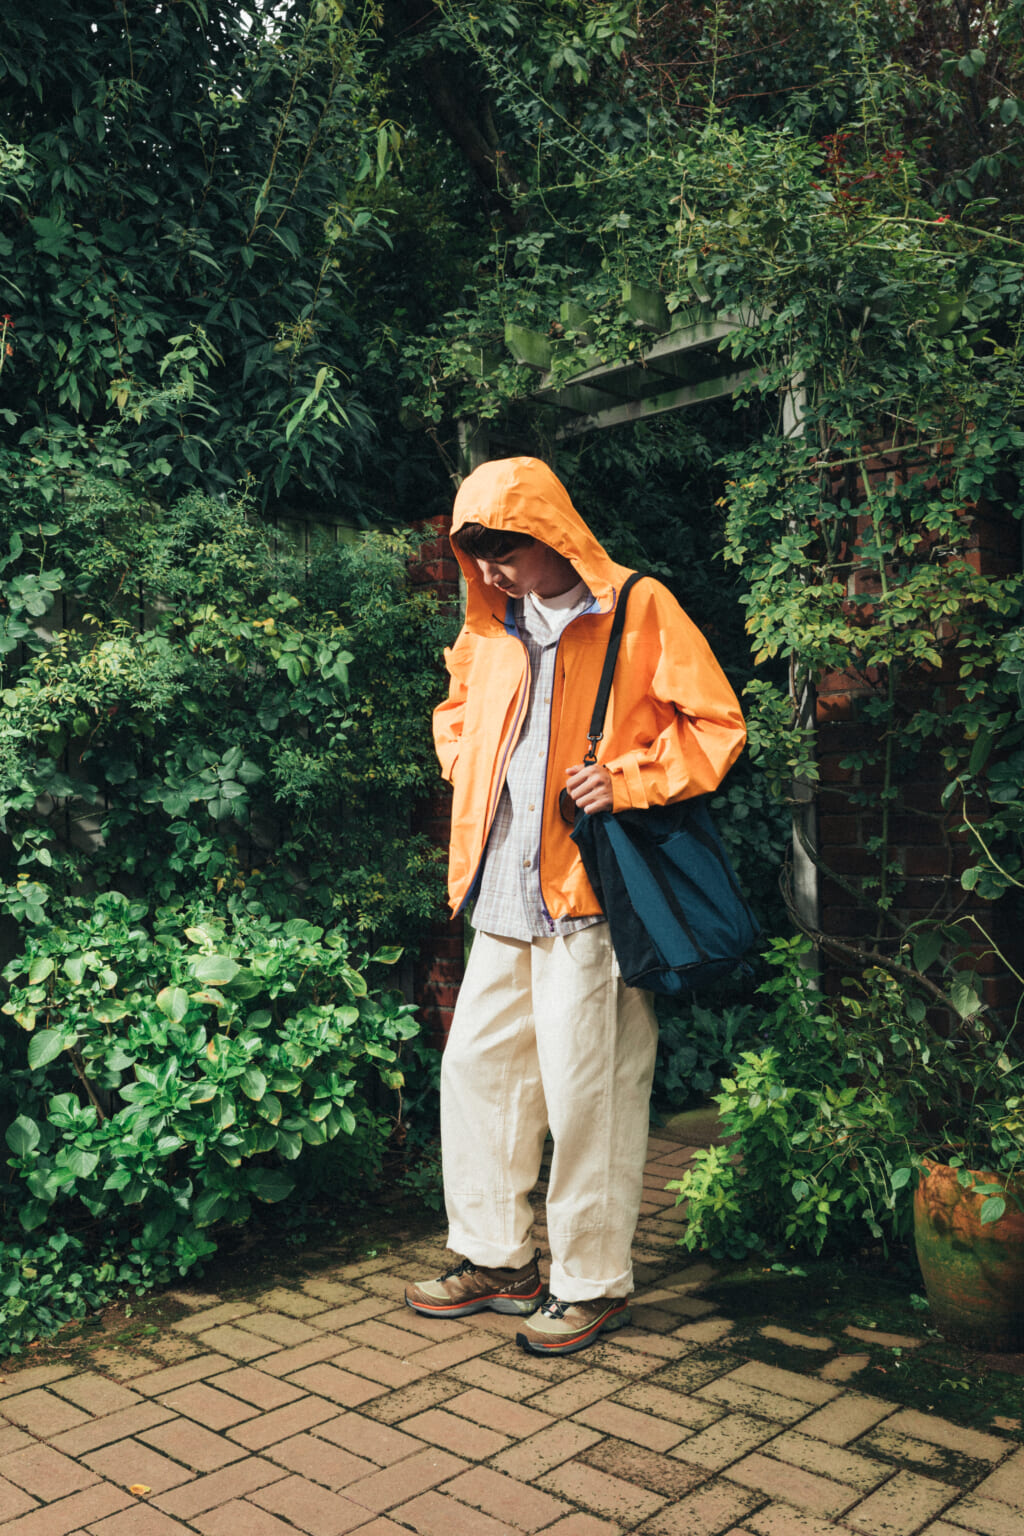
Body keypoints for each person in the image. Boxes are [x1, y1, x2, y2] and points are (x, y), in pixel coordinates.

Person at [404, 456, 746, 1356]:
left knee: (587, 1093)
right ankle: (497, 1259)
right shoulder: (491, 625)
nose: (491, 571)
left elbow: (716, 724)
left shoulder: (638, 606)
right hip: (500, 890)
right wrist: (468, 765)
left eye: (506, 551)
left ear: (552, 533)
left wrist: (628, 779)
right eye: (477, 556)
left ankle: (592, 1282)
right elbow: (453, 712)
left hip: (590, 897)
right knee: (479, 1074)